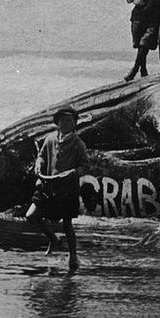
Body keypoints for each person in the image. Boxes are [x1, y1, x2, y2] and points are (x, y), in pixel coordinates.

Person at [25, 106, 91, 275]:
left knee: (67, 224)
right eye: (62, 120)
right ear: (57, 123)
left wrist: (74, 173)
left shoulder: (78, 143)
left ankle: (73, 256)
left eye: (69, 120)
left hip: (67, 189)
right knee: (31, 215)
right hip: (47, 185)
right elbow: (41, 156)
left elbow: (85, 166)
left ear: (75, 123)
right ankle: (53, 238)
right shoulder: (50, 138)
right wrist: (39, 164)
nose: (65, 123)